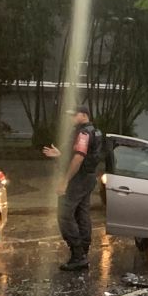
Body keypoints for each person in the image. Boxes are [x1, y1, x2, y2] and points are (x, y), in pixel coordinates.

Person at [42, 108, 104, 271]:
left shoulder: (83, 134)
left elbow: (78, 158)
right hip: (88, 178)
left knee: (64, 214)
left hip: (78, 179)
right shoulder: (95, 132)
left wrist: (65, 181)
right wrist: (60, 154)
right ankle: (83, 252)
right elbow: (82, 154)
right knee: (82, 213)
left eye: (74, 115)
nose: (71, 119)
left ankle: (78, 255)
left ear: (84, 115)